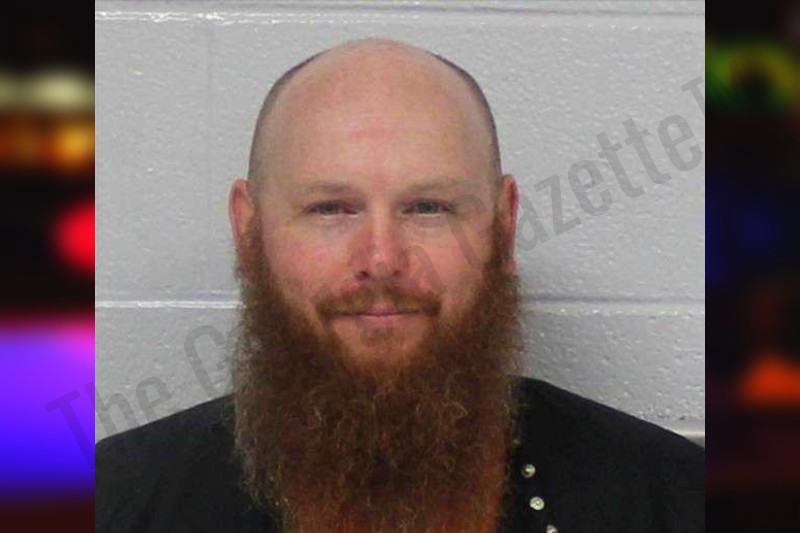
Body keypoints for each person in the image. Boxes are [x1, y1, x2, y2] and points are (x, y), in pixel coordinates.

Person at [95, 37, 704, 532]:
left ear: (504, 226)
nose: (382, 259)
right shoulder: (111, 502)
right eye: (331, 209)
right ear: (247, 231)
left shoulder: (677, 500)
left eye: (429, 207)